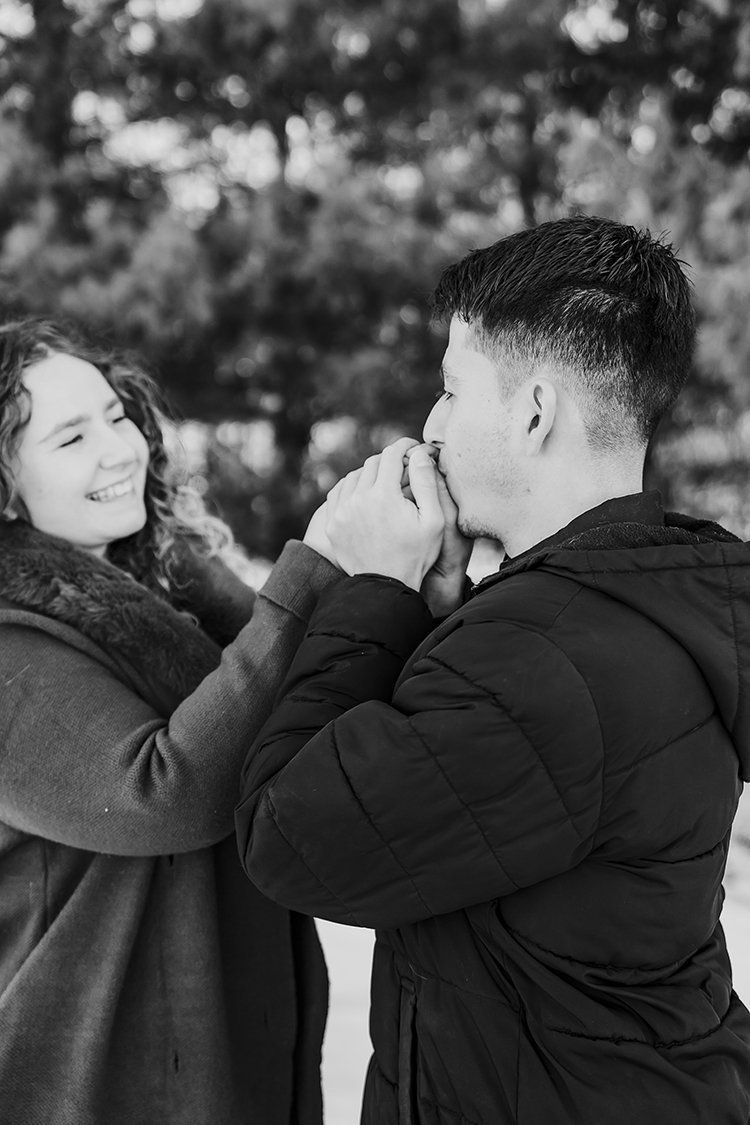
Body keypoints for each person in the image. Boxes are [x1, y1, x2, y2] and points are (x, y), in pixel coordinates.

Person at [235, 215, 750, 1124]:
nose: (430, 425)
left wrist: (371, 587)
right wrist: (431, 614)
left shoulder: (539, 656)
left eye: (449, 390)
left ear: (535, 410)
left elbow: (288, 835)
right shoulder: (639, 590)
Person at [0, 319, 341, 1125]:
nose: (119, 449)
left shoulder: (168, 577)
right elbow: (165, 791)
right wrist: (313, 570)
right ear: (5, 485)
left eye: (116, 416)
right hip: (94, 1075)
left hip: (224, 1045)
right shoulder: (9, 644)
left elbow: (295, 693)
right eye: (71, 437)